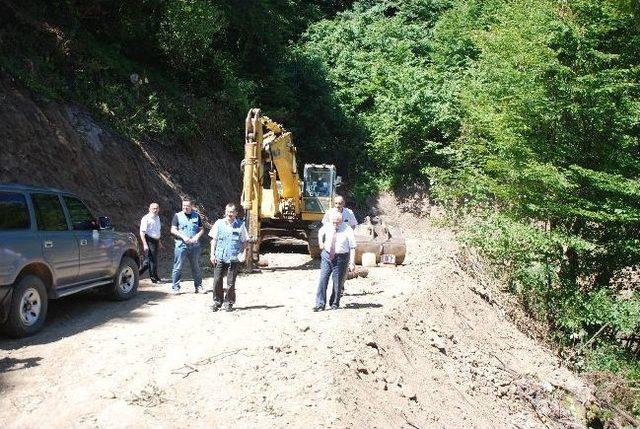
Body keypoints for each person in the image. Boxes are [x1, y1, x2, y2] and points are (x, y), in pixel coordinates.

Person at [209, 203, 248, 312]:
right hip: (220, 256)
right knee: (217, 280)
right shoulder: (219, 223)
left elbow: (245, 241)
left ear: (236, 213)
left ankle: (229, 303)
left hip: (233, 257)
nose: (230, 214)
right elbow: (214, 240)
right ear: (225, 211)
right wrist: (212, 254)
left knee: (230, 282)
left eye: (232, 212)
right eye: (228, 211)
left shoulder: (241, 225)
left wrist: (244, 254)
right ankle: (217, 302)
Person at [314, 211, 356, 311]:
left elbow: (353, 246)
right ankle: (320, 304)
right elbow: (320, 232)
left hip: (341, 258)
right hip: (327, 255)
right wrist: (321, 242)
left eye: (337, 222)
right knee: (323, 279)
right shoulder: (328, 225)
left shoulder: (347, 229)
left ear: (341, 221)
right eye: (333, 222)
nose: (335, 224)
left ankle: (334, 303)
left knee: (337, 281)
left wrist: (352, 262)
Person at [170, 199, 204, 294]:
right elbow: (173, 230)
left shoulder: (196, 216)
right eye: (183, 205)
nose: (185, 207)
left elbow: (201, 229)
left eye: (187, 205)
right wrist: (183, 237)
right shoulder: (177, 216)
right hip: (181, 245)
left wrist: (197, 236)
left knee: (196, 267)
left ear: (191, 206)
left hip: (194, 246)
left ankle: (198, 286)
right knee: (178, 267)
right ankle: (175, 287)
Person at [139, 202, 162, 283]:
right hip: (149, 240)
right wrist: (145, 244)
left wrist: (159, 242)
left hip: (156, 240)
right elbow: (142, 232)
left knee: (149, 261)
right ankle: (154, 278)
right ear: (149, 209)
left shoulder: (157, 217)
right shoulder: (146, 218)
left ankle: (137, 273)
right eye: (153, 208)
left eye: (157, 208)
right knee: (152, 260)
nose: (155, 210)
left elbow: (157, 231)